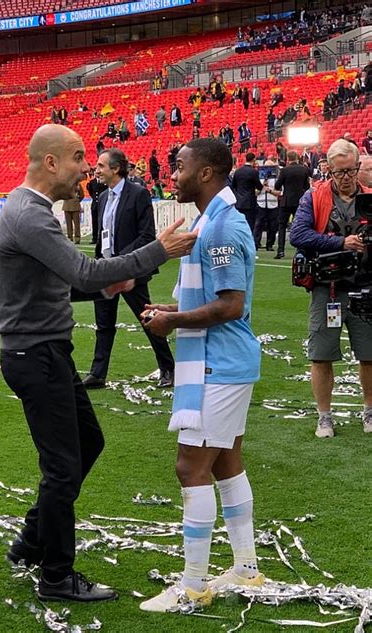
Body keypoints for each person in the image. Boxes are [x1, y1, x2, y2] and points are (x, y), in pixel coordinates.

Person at [0, 124, 197, 603]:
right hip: (35, 355)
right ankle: (56, 575)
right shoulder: (30, 213)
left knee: (89, 441)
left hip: (45, 352)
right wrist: (155, 252)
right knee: (63, 468)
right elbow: (83, 270)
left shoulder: (30, 211)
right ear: (50, 163)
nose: (86, 167)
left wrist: (109, 286)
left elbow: (64, 284)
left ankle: (32, 538)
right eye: (79, 157)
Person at [139, 138, 263, 613]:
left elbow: (232, 305)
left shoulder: (221, 228)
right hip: (224, 363)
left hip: (220, 365)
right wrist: (173, 309)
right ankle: (246, 568)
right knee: (227, 461)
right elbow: (219, 298)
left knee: (191, 467)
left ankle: (193, 585)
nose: (173, 174)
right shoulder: (211, 221)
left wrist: (174, 321)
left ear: (208, 172)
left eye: (181, 166)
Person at [290, 139, 372, 438]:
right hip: (328, 287)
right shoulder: (314, 197)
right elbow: (297, 235)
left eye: (350, 171)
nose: (345, 177)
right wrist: (340, 242)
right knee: (321, 355)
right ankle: (324, 416)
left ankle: (370, 411)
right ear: (328, 171)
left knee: (370, 354)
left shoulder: (370, 197)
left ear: (358, 167)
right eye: (338, 172)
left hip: (365, 283)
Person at [82, 148, 175, 390]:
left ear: (115, 168)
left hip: (130, 271)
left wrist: (121, 263)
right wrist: (102, 264)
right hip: (104, 272)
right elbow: (102, 238)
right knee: (103, 325)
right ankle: (97, 373)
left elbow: (146, 235)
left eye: (101, 166)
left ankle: (168, 368)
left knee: (147, 319)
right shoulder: (102, 197)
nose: (96, 170)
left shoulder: (138, 194)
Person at [273, 150, 310, 259]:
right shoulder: (303, 169)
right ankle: (300, 250)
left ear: (288, 159)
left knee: (282, 226)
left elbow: (277, 186)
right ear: (297, 158)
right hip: (299, 201)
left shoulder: (284, 170)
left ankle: (280, 250)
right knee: (300, 226)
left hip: (286, 201)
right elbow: (307, 186)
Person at [231, 152, 263, 233]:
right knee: (249, 225)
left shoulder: (238, 171)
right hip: (249, 203)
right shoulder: (254, 172)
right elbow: (259, 186)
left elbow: (233, 186)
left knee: (238, 224)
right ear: (254, 160)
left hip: (239, 202)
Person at [254, 160, 280, 251]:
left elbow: (279, 193)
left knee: (272, 226)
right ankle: (256, 243)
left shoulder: (277, 179)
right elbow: (256, 193)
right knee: (258, 225)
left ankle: (270, 244)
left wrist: (270, 191)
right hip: (261, 204)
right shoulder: (259, 178)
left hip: (272, 204)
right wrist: (262, 186)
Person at [87, 171, 108, 244]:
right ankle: (94, 238)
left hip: (102, 204)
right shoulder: (92, 182)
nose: (97, 174)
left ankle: (101, 239)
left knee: (102, 222)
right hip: (95, 205)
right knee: (94, 222)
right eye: (95, 172)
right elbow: (90, 191)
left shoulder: (104, 181)